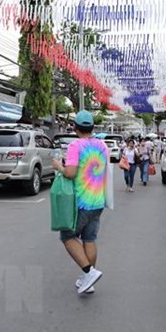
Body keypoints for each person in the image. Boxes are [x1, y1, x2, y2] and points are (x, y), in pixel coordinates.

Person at [52, 110, 108, 295]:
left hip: (81, 202)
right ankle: (88, 281)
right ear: (92, 127)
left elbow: (70, 173)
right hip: (98, 200)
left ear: (75, 128)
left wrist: (58, 166)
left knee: (67, 237)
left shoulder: (75, 146)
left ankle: (89, 273)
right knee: (89, 239)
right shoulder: (102, 145)